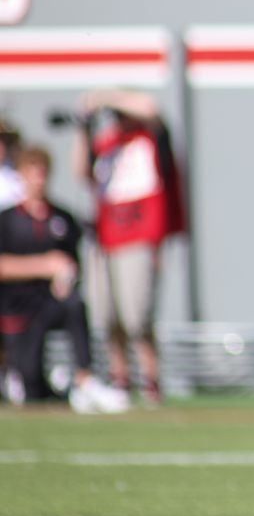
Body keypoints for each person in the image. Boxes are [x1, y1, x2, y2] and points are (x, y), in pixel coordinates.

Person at [74, 89, 184, 406]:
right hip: (105, 239)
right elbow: (81, 170)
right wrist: (84, 125)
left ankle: (151, 380)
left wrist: (105, 96)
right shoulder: (107, 146)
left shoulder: (149, 139)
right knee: (107, 315)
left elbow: (151, 108)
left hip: (138, 238)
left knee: (137, 316)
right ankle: (120, 378)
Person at [0, 147, 129, 413]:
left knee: (74, 303)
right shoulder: (7, 221)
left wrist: (65, 277)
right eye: (32, 173)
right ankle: (41, 382)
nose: (38, 180)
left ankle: (84, 379)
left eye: (43, 174)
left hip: (50, 302)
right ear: (22, 176)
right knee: (32, 391)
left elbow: (73, 264)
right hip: (17, 308)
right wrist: (43, 265)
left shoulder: (63, 219)